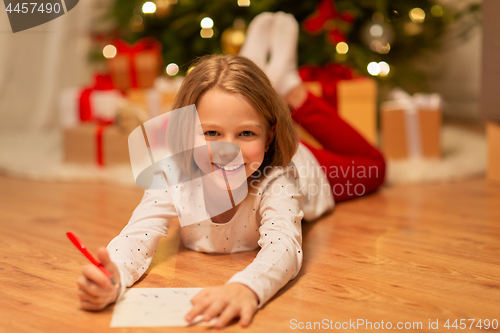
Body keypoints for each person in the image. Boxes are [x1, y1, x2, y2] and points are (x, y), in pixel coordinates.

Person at [75, 12, 385, 329]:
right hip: (255, 143)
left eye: (245, 134)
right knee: (234, 113)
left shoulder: (279, 179)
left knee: (375, 168)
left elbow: (285, 247)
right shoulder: (171, 175)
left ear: (269, 136)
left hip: (309, 167)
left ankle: (290, 89)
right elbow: (138, 235)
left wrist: (246, 288)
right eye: (211, 133)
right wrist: (113, 275)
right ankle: (252, 76)